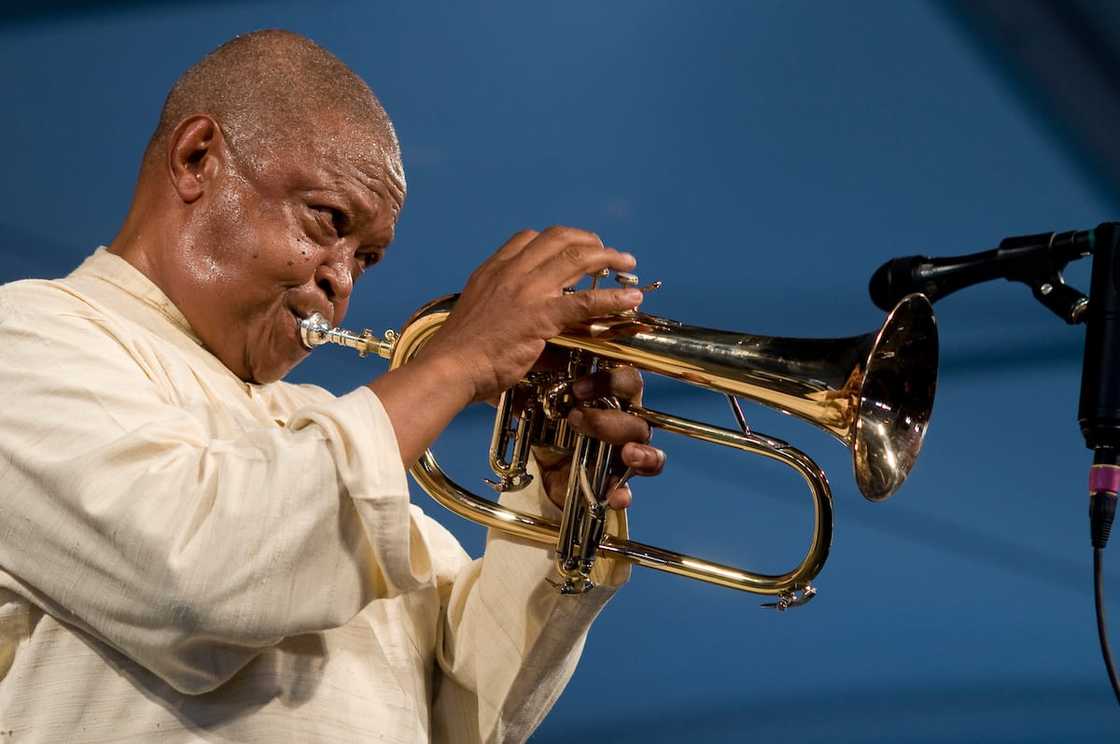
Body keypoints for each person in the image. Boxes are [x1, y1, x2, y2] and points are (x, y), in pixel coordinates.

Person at [0, 30, 665, 743]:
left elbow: (468, 711)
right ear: (197, 159)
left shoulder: (325, 430)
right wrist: (454, 363)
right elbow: (192, 581)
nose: (343, 280)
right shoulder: (33, 335)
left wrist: (554, 505)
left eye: (367, 258)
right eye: (329, 221)